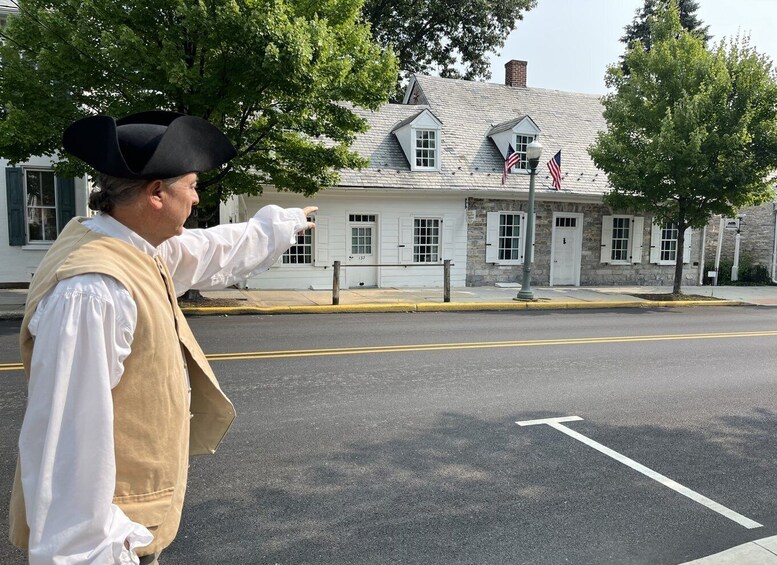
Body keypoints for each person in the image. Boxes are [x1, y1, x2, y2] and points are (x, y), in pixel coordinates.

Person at [7, 111, 316, 564]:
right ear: (155, 194)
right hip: (109, 544)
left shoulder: (132, 246)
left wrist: (279, 226)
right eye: (190, 185)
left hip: (129, 531)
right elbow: (68, 450)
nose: (195, 198)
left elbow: (209, 250)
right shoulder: (93, 292)